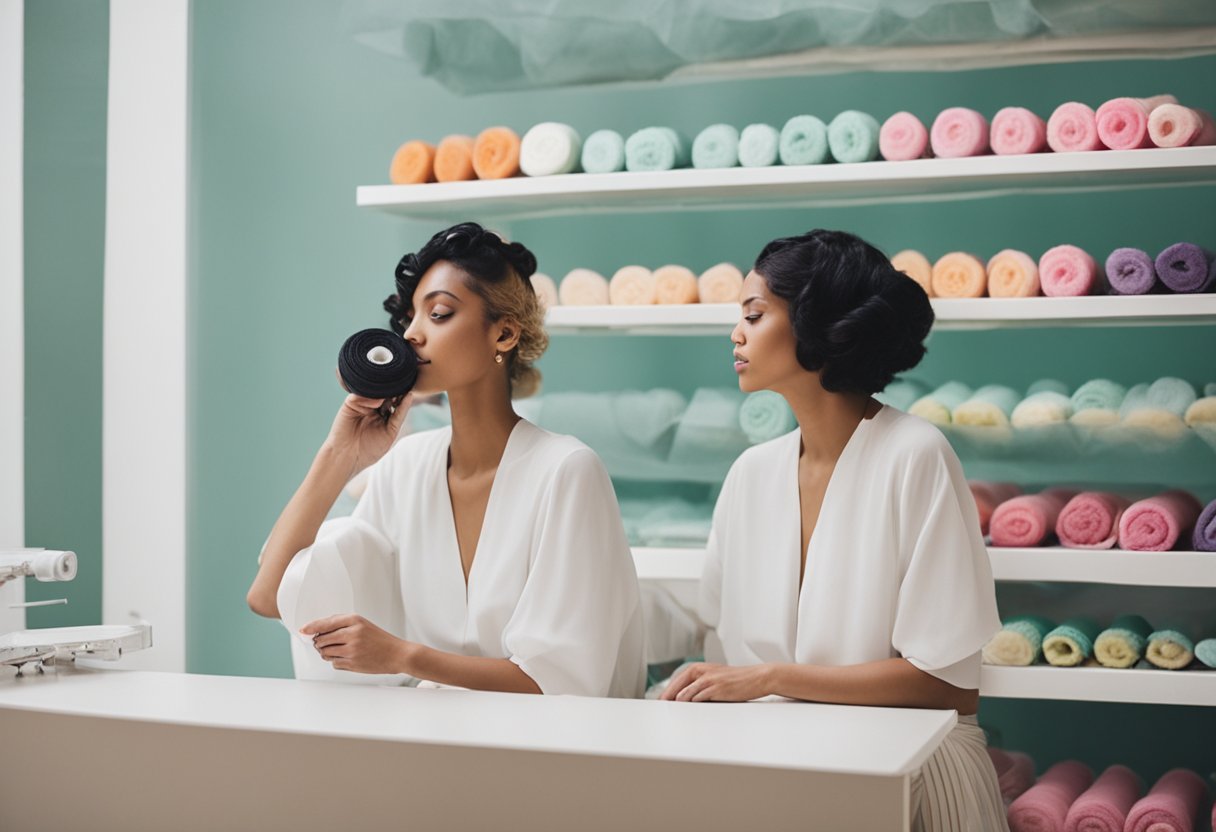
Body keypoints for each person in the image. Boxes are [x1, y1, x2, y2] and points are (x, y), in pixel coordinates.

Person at [661, 229, 1007, 831]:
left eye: (754, 313)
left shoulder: (915, 454)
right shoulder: (750, 474)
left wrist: (771, 678)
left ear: (816, 324)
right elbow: (716, 638)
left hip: (907, 771)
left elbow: (948, 687)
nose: (736, 332)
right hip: (781, 765)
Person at [247, 222, 645, 697]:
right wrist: (340, 454)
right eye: (409, 318)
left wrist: (400, 655)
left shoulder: (566, 470)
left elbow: (561, 680)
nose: (412, 335)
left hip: (540, 755)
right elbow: (269, 598)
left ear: (504, 334)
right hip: (432, 745)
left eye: (438, 313)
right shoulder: (406, 465)